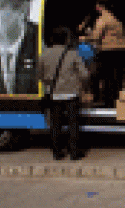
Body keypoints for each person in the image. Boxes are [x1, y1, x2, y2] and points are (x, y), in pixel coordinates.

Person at [38, 27, 89, 160]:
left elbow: (39, 75)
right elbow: (84, 74)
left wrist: (49, 83)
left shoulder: (44, 54)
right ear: (65, 39)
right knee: (73, 124)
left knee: (55, 124)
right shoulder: (73, 54)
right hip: (71, 95)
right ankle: (74, 152)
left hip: (53, 94)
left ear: (52, 39)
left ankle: (57, 152)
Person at [80, 0, 125, 107]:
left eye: (97, 6)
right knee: (115, 77)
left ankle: (101, 100)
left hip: (108, 51)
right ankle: (114, 101)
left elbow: (96, 36)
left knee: (98, 75)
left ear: (100, 7)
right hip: (121, 51)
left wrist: (84, 38)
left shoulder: (103, 19)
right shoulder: (115, 19)